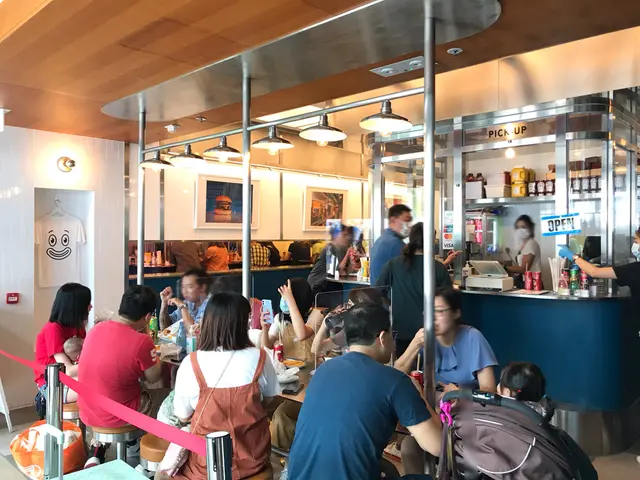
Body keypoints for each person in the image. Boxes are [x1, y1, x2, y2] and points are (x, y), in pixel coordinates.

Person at [286, 302, 441, 480]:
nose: (393, 343)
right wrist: (419, 394)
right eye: (392, 335)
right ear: (382, 337)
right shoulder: (396, 381)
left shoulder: (323, 370)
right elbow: (436, 445)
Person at [157, 292, 280, 480]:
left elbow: (183, 415)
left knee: (164, 473)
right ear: (243, 324)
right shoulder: (261, 358)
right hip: (254, 458)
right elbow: (270, 399)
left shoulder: (192, 363)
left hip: (206, 464)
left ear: (208, 322)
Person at [394, 287, 497, 474]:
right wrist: (415, 344)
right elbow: (394, 374)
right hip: (434, 416)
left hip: (468, 420)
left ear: (456, 313)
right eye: (429, 312)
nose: (433, 318)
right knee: (409, 448)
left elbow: (489, 391)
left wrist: (460, 394)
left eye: (439, 311)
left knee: (459, 460)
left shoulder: (473, 338)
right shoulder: (426, 341)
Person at [78, 285, 162, 466]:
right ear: (148, 317)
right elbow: (154, 377)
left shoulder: (96, 329)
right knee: (163, 398)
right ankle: (151, 458)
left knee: (118, 388)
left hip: (87, 409)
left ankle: (99, 448)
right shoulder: (142, 341)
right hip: (118, 415)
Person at [263, 278, 324, 450]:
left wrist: (291, 303)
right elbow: (268, 344)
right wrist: (264, 328)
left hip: (310, 380)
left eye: (287, 296)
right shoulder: (280, 318)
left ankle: (284, 455)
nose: (283, 301)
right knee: (263, 406)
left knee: (282, 415)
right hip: (288, 377)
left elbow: (302, 333)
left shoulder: (316, 315)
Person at [376, 222, 452, 357]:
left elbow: (377, 292)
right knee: (429, 367)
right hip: (429, 331)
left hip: (401, 329)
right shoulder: (438, 268)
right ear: (430, 241)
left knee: (403, 365)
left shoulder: (393, 265)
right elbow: (449, 300)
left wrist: (391, 303)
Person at [34, 283, 92, 407]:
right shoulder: (53, 329)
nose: (90, 306)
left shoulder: (78, 327)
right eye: (87, 303)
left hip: (71, 379)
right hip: (52, 385)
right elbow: (68, 370)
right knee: (100, 385)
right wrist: (101, 366)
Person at [559, 227, 640, 311]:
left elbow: (594, 272)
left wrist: (572, 256)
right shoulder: (635, 268)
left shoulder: (636, 269)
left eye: (636, 241)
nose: (633, 245)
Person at [311, 287, 384, 355]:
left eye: (350, 305)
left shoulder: (379, 333)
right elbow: (315, 349)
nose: (346, 309)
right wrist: (325, 325)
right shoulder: (352, 330)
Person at [307, 225, 355, 298]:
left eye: (347, 235)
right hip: (319, 284)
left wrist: (354, 260)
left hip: (331, 283)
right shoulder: (329, 248)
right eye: (344, 235)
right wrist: (348, 254)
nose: (347, 238)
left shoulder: (343, 249)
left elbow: (346, 272)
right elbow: (338, 270)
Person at [370, 204, 413, 284]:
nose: (409, 225)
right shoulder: (395, 244)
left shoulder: (381, 240)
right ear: (393, 220)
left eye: (410, 221)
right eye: (406, 220)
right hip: (389, 291)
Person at [505, 215, 542, 281]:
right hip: (527, 281)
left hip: (532, 283)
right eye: (518, 228)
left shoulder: (531, 244)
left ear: (530, 228)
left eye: (523, 227)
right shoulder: (524, 245)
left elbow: (524, 268)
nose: (520, 230)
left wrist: (505, 268)